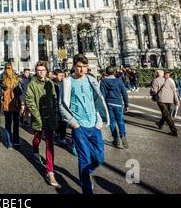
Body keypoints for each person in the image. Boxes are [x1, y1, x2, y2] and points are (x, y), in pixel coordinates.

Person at [58, 54, 110, 194]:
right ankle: (87, 189)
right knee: (84, 159)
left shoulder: (92, 80)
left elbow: (97, 101)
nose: (82, 70)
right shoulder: (67, 82)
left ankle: (86, 174)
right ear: (74, 67)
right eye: (79, 67)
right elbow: (62, 105)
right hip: (79, 127)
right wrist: (74, 123)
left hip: (94, 125)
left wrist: (99, 121)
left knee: (99, 158)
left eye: (84, 67)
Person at [26, 61, 59, 187]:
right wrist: (38, 116)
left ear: (46, 71)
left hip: (49, 118)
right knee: (37, 139)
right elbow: (30, 101)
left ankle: (50, 171)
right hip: (38, 117)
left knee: (50, 144)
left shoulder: (50, 83)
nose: (41, 72)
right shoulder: (32, 84)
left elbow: (54, 99)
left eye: (43, 70)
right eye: (39, 70)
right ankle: (35, 150)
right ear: (36, 71)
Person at [100, 66, 129, 148]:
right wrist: (127, 104)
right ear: (114, 72)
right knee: (120, 121)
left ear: (106, 72)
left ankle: (116, 139)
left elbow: (102, 95)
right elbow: (124, 93)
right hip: (118, 103)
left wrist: (103, 106)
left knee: (112, 122)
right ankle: (123, 135)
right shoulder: (119, 81)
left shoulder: (103, 81)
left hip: (109, 103)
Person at [150, 70, 179, 136]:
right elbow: (174, 91)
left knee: (167, 115)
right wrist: (176, 100)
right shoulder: (169, 80)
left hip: (161, 99)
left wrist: (151, 93)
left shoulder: (156, 80)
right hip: (170, 99)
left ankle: (174, 130)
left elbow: (154, 91)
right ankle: (160, 124)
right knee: (166, 113)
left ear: (157, 74)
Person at [0, 63, 22, 149]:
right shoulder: (16, 78)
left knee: (8, 123)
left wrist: (4, 92)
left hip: (6, 104)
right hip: (15, 102)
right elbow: (21, 91)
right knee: (16, 123)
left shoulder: (2, 78)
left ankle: (9, 143)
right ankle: (16, 142)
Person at [52, 69, 67, 147]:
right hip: (55, 105)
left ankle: (63, 138)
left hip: (63, 106)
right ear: (55, 76)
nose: (62, 77)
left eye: (63, 75)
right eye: (60, 75)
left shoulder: (65, 83)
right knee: (57, 121)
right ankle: (57, 133)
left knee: (63, 122)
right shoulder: (51, 83)